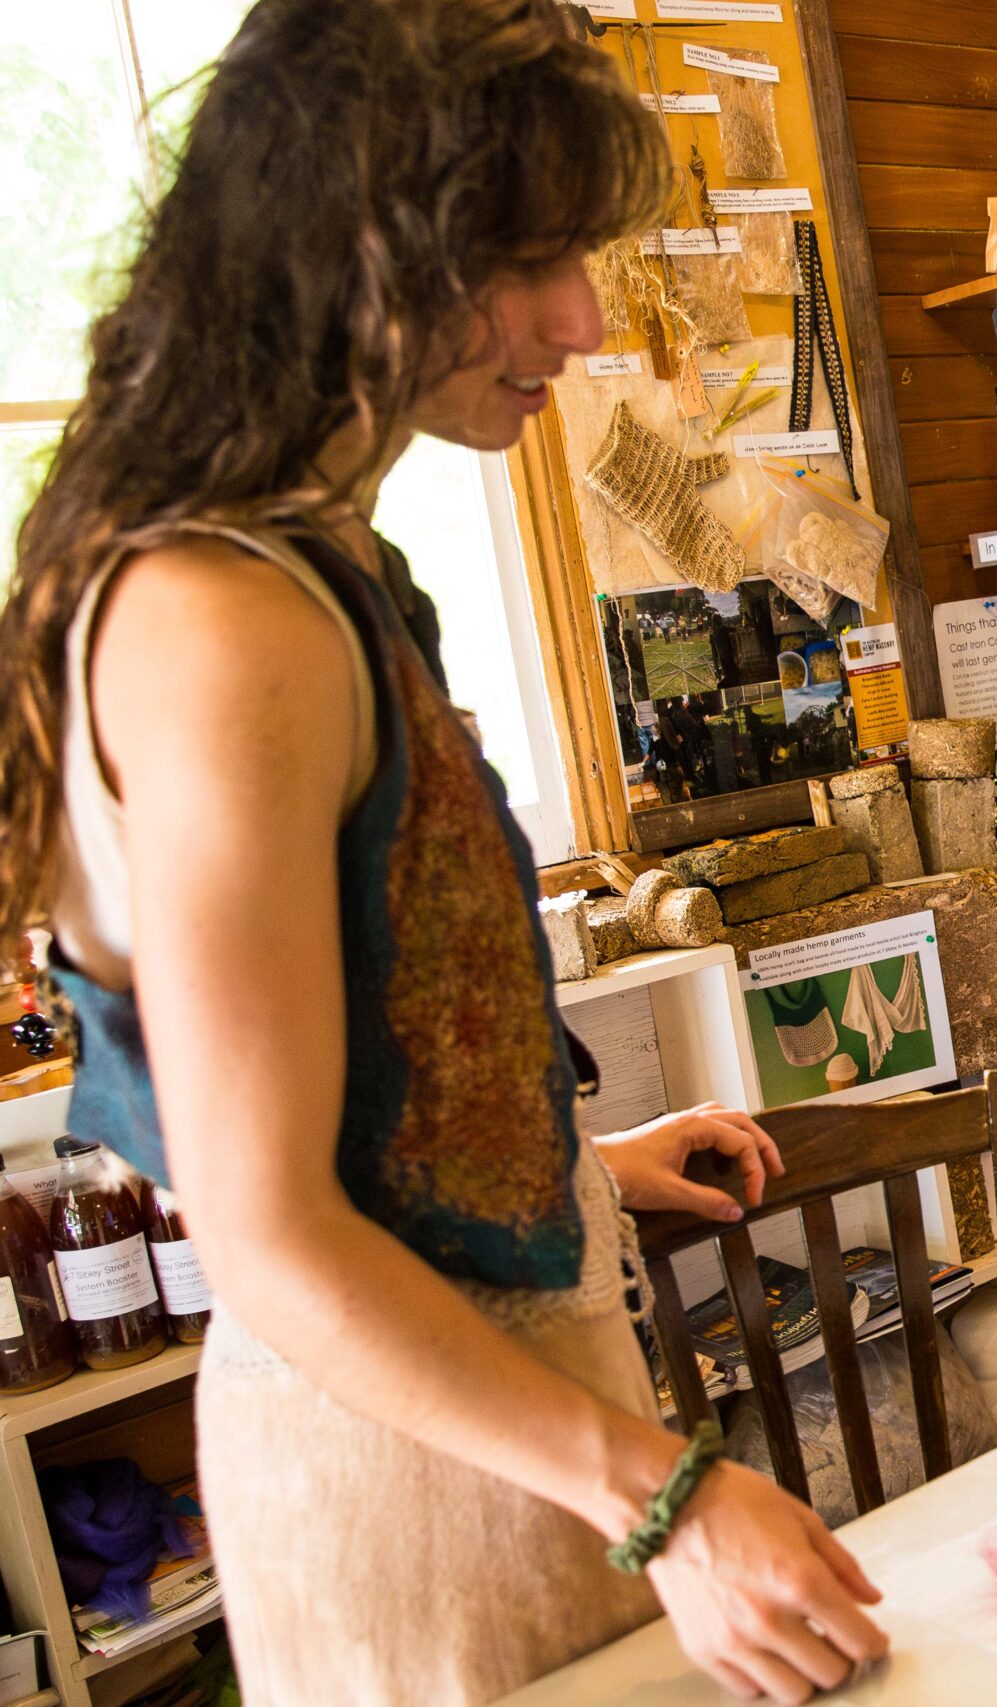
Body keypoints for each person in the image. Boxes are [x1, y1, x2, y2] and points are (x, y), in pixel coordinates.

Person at [0, 4, 886, 1701]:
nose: (583, 317)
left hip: (513, 1418)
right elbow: (259, 1227)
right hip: (405, 1475)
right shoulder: (220, 618)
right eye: (530, 259)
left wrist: (568, 1159)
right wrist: (677, 1500)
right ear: (360, 246)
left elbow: (343, 1074)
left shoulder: (320, 572)